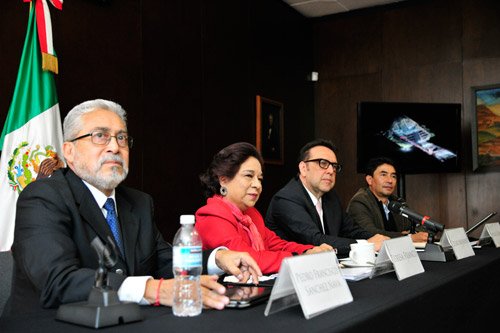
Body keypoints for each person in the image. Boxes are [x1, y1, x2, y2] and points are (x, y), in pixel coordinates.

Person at [5, 99, 262, 315]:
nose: (115, 146)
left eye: (122, 138)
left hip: (124, 320)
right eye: (100, 136)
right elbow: (57, 281)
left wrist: (219, 258)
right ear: (69, 151)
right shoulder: (43, 197)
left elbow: (164, 261)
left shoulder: (138, 202)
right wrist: (152, 290)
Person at [195, 142, 333, 274]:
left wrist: (309, 251)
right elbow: (248, 260)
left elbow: (277, 245)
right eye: (249, 176)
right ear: (223, 179)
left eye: (259, 179)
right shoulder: (212, 216)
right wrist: (301, 260)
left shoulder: (251, 215)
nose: (257, 185)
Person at [265, 139, 389, 256]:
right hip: (291, 273)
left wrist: (385, 240)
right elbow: (315, 239)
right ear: (303, 168)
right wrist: (367, 245)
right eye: (323, 163)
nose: (331, 170)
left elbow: (352, 230)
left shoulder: (331, 197)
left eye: (334, 166)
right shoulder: (286, 199)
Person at [347, 157, 428, 242]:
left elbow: (418, 226)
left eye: (393, 176)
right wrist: (407, 237)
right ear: (370, 180)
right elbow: (369, 233)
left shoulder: (398, 202)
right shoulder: (360, 202)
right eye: (383, 175)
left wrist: (413, 234)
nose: (390, 180)